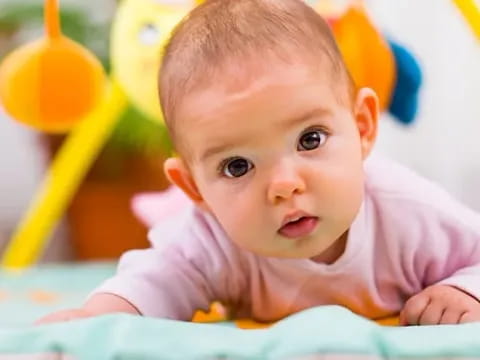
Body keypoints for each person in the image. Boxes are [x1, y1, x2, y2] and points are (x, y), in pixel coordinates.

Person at [38, 0, 480, 327]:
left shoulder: (407, 213)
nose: (284, 185)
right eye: (237, 166)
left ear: (363, 128)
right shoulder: (209, 239)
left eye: (310, 139)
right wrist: (96, 318)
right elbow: (153, 284)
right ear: (193, 189)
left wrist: (463, 290)